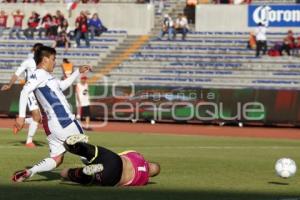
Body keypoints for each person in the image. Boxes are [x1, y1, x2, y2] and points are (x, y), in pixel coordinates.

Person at [11, 46, 91, 182]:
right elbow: (24, 91)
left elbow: (63, 85)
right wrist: (21, 117)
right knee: (87, 152)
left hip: (52, 127)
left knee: (57, 159)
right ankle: (100, 176)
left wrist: (77, 71)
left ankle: (30, 172)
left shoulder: (46, 77)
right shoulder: (39, 74)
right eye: (53, 59)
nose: (55, 62)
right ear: (45, 59)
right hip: (64, 121)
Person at [60, 134, 161, 186]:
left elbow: (120, 155)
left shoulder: (138, 156)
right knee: (68, 173)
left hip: (114, 160)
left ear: (148, 162)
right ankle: (83, 173)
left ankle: (75, 146)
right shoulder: (144, 180)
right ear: (150, 175)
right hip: (114, 177)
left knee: (94, 152)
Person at [1, 43, 44, 148]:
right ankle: (29, 141)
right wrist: (10, 85)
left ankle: (24, 121)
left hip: (39, 92)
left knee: (39, 118)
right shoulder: (29, 62)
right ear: (35, 51)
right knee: (37, 117)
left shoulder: (42, 64)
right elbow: (17, 73)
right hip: (29, 91)